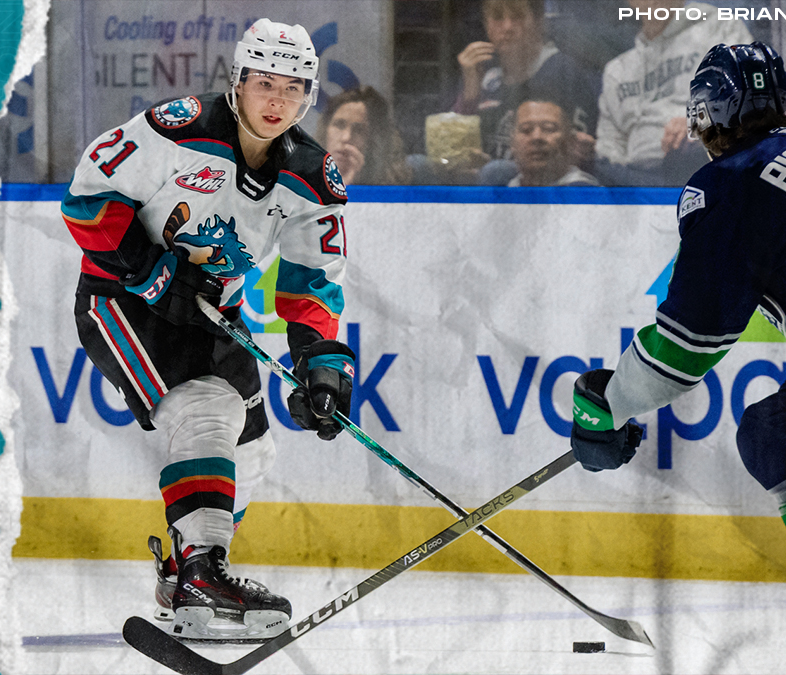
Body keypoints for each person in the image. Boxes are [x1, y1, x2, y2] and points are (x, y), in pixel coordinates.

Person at [569, 42, 786, 674]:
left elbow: (688, 343)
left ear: (706, 116)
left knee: (783, 434)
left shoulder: (732, 181)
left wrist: (611, 402)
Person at [61, 18, 355, 641]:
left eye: (293, 88)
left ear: (308, 96)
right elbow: (88, 198)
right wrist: (152, 273)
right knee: (207, 408)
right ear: (238, 81)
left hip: (214, 312)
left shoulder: (311, 174)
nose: (277, 100)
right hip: (122, 300)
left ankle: (181, 573)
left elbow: (312, 283)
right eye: (265, 83)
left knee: (253, 450)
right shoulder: (181, 128)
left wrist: (322, 363)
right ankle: (204, 570)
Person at [422, 0, 597, 183]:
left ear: (539, 22)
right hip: (483, 180)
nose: (507, 27)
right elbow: (448, 152)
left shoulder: (564, 73)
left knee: (496, 172)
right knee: (419, 165)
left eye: (518, 17)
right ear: (486, 24)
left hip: (537, 182)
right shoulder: (481, 71)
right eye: (498, 17)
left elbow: (575, 156)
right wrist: (469, 96)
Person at [595, 1, 752, 186]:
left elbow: (749, 96)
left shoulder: (718, 27)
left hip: (703, 163)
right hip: (636, 180)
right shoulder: (617, 71)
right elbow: (609, 144)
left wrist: (699, 122)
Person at [480, 99, 600, 186]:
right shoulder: (500, 191)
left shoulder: (586, 195)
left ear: (570, 141)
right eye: (526, 130)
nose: (536, 137)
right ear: (512, 143)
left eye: (549, 129)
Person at [316, 85, 411, 185]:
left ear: (374, 142)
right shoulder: (306, 179)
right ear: (325, 131)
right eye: (339, 125)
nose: (346, 137)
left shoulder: (389, 188)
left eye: (359, 130)